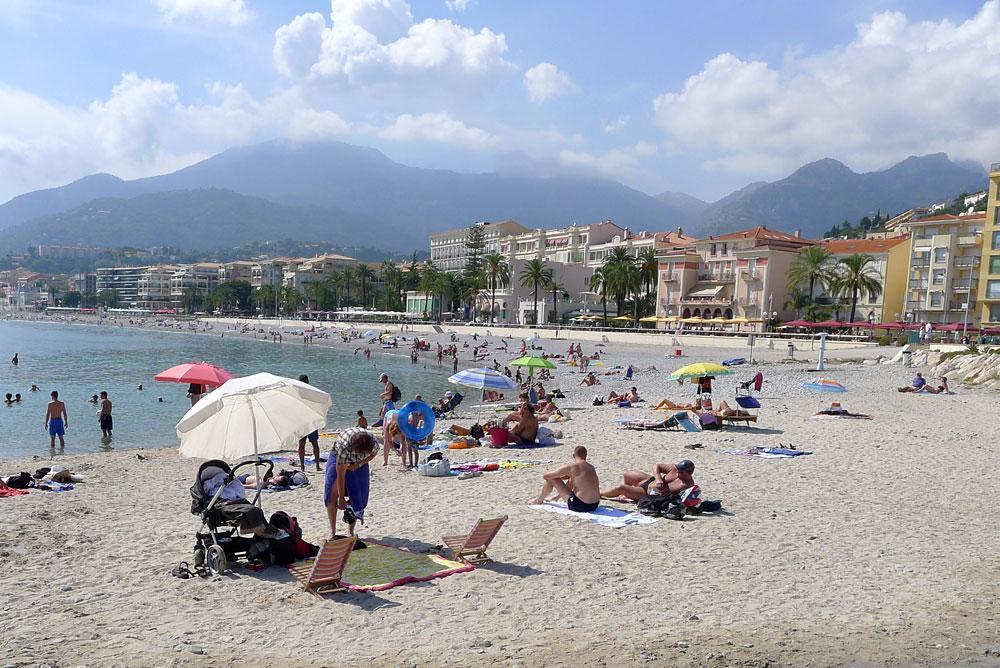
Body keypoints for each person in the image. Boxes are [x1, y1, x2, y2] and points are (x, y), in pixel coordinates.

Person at [324, 428, 380, 538]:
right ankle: (332, 530)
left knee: (358, 497)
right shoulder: (344, 447)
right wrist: (341, 498)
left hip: (359, 462)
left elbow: (373, 454)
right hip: (337, 457)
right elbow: (341, 476)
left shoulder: (373, 442)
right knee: (331, 495)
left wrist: (359, 464)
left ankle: (350, 530)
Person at [528, 446, 601, 512]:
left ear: (573, 456)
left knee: (552, 478)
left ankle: (539, 500)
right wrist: (566, 476)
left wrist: (559, 477)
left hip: (580, 506)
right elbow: (577, 478)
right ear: (586, 455)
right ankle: (556, 497)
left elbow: (546, 476)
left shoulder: (572, 467)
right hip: (594, 505)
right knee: (572, 478)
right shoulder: (591, 467)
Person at [600, 460, 695, 501]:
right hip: (650, 481)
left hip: (646, 493)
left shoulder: (686, 485)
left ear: (689, 473)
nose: (678, 472)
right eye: (678, 470)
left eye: (681, 472)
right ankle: (626, 495)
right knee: (627, 474)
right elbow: (656, 466)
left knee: (620, 488)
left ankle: (600, 494)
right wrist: (658, 479)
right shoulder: (675, 469)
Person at [296, 375, 322, 472]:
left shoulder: (298, 393)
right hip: (311, 421)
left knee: (302, 444)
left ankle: (303, 466)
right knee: (314, 443)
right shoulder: (312, 392)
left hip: (303, 421)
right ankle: (317, 466)